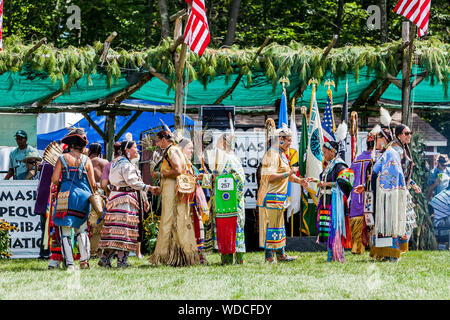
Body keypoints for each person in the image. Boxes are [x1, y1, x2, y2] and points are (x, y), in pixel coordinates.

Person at [257, 125, 310, 263]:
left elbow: (287, 176)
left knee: (279, 226)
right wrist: (290, 172)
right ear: (280, 139)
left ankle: (281, 255)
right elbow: (270, 177)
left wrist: (300, 180)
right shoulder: (272, 155)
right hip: (272, 196)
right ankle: (269, 257)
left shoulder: (281, 154)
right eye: (288, 140)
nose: (290, 143)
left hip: (279, 197)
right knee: (273, 226)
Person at [355, 126, 407, 262]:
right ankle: (385, 253)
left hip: (387, 194)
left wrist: (380, 187)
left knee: (387, 223)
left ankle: (392, 254)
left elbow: (390, 174)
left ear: (384, 139)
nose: (375, 142)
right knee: (383, 224)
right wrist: (365, 186)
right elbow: (374, 173)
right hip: (381, 194)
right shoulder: (386, 153)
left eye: (377, 138)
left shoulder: (390, 153)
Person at [148, 130, 200, 267]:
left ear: (164, 140)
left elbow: (177, 170)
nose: (157, 144)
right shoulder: (176, 150)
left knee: (169, 220)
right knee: (176, 221)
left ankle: (165, 255)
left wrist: (160, 174)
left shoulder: (171, 151)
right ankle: (178, 256)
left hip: (173, 191)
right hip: (172, 189)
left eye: (158, 141)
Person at [98, 140, 152, 268]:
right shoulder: (126, 165)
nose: (137, 150)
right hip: (125, 199)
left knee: (114, 229)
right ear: (127, 150)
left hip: (115, 197)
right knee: (124, 229)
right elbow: (132, 182)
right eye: (135, 148)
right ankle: (121, 261)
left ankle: (105, 258)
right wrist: (148, 187)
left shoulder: (115, 162)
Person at [51, 128, 96, 270]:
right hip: (83, 197)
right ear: (82, 146)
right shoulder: (87, 160)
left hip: (66, 197)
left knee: (65, 231)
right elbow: (93, 183)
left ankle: (70, 264)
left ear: (70, 145)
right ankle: (84, 261)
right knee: (81, 229)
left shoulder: (62, 158)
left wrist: (63, 183)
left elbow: (54, 179)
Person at [310, 139, 354, 263]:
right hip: (326, 201)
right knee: (328, 229)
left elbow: (347, 181)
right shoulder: (329, 165)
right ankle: (331, 255)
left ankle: (337, 255)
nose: (323, 154)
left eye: (325, 152)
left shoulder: (340, 165)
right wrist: (317, 181)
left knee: (335, 228)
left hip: (334, 203)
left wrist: (326, 184)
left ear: (332, 151)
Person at [206, 133, 246, 265]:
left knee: (229, 229)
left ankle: (228, 260)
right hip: (232, 202)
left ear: (224, 143)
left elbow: (227, 179)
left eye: (218, 142)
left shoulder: (227, 159)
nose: (216, 146)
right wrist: (208, 178)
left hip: (228, 202)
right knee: (232, 229)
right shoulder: (233, 158)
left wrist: (209, 178)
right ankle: (238, 260)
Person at [179, 137, 209, 264]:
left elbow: (199, 181)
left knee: (198, 227)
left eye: (192, 148)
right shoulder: (179, 165)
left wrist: (202, 177)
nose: (191, 151)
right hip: (184, 204)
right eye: (189, 148)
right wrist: (195, 180)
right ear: (182, 149)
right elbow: (181, 181)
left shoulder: (192, 166)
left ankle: (198, 255)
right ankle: (186, 256)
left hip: (194, 203)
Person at [392, 124, 421, 253]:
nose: (409, 136)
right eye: (406, 133)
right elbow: (396, 172)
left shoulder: (403, 149)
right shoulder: (396, 150)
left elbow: (403, 173)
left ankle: (400, 247)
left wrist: (412, 183)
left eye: (410, 133)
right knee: (401, 218)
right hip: (396, 191)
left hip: (403, 189)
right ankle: (395, 247)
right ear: (398, 135)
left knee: (407, 219)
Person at [348, 135, 375, 255]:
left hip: (356, 195)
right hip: (371, 194)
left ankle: (357, 247)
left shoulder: (357, 159)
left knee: (358, 220)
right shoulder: (378, 158)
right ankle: (374, 246)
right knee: (373, 219)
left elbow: (349, 177)